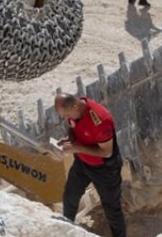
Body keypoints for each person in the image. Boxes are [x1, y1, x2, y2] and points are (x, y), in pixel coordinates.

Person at [54, 93, 126, 237]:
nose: (66, 118)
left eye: (66, 114)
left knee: (112, 208)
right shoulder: (74, 110)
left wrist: (77, 148)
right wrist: (69, 139)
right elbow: (73, 127)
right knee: (70, 196)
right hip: (82, 162)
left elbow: (106, 152)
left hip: (104, 169)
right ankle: (66, 229)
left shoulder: (99, 119)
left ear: (75, 106)